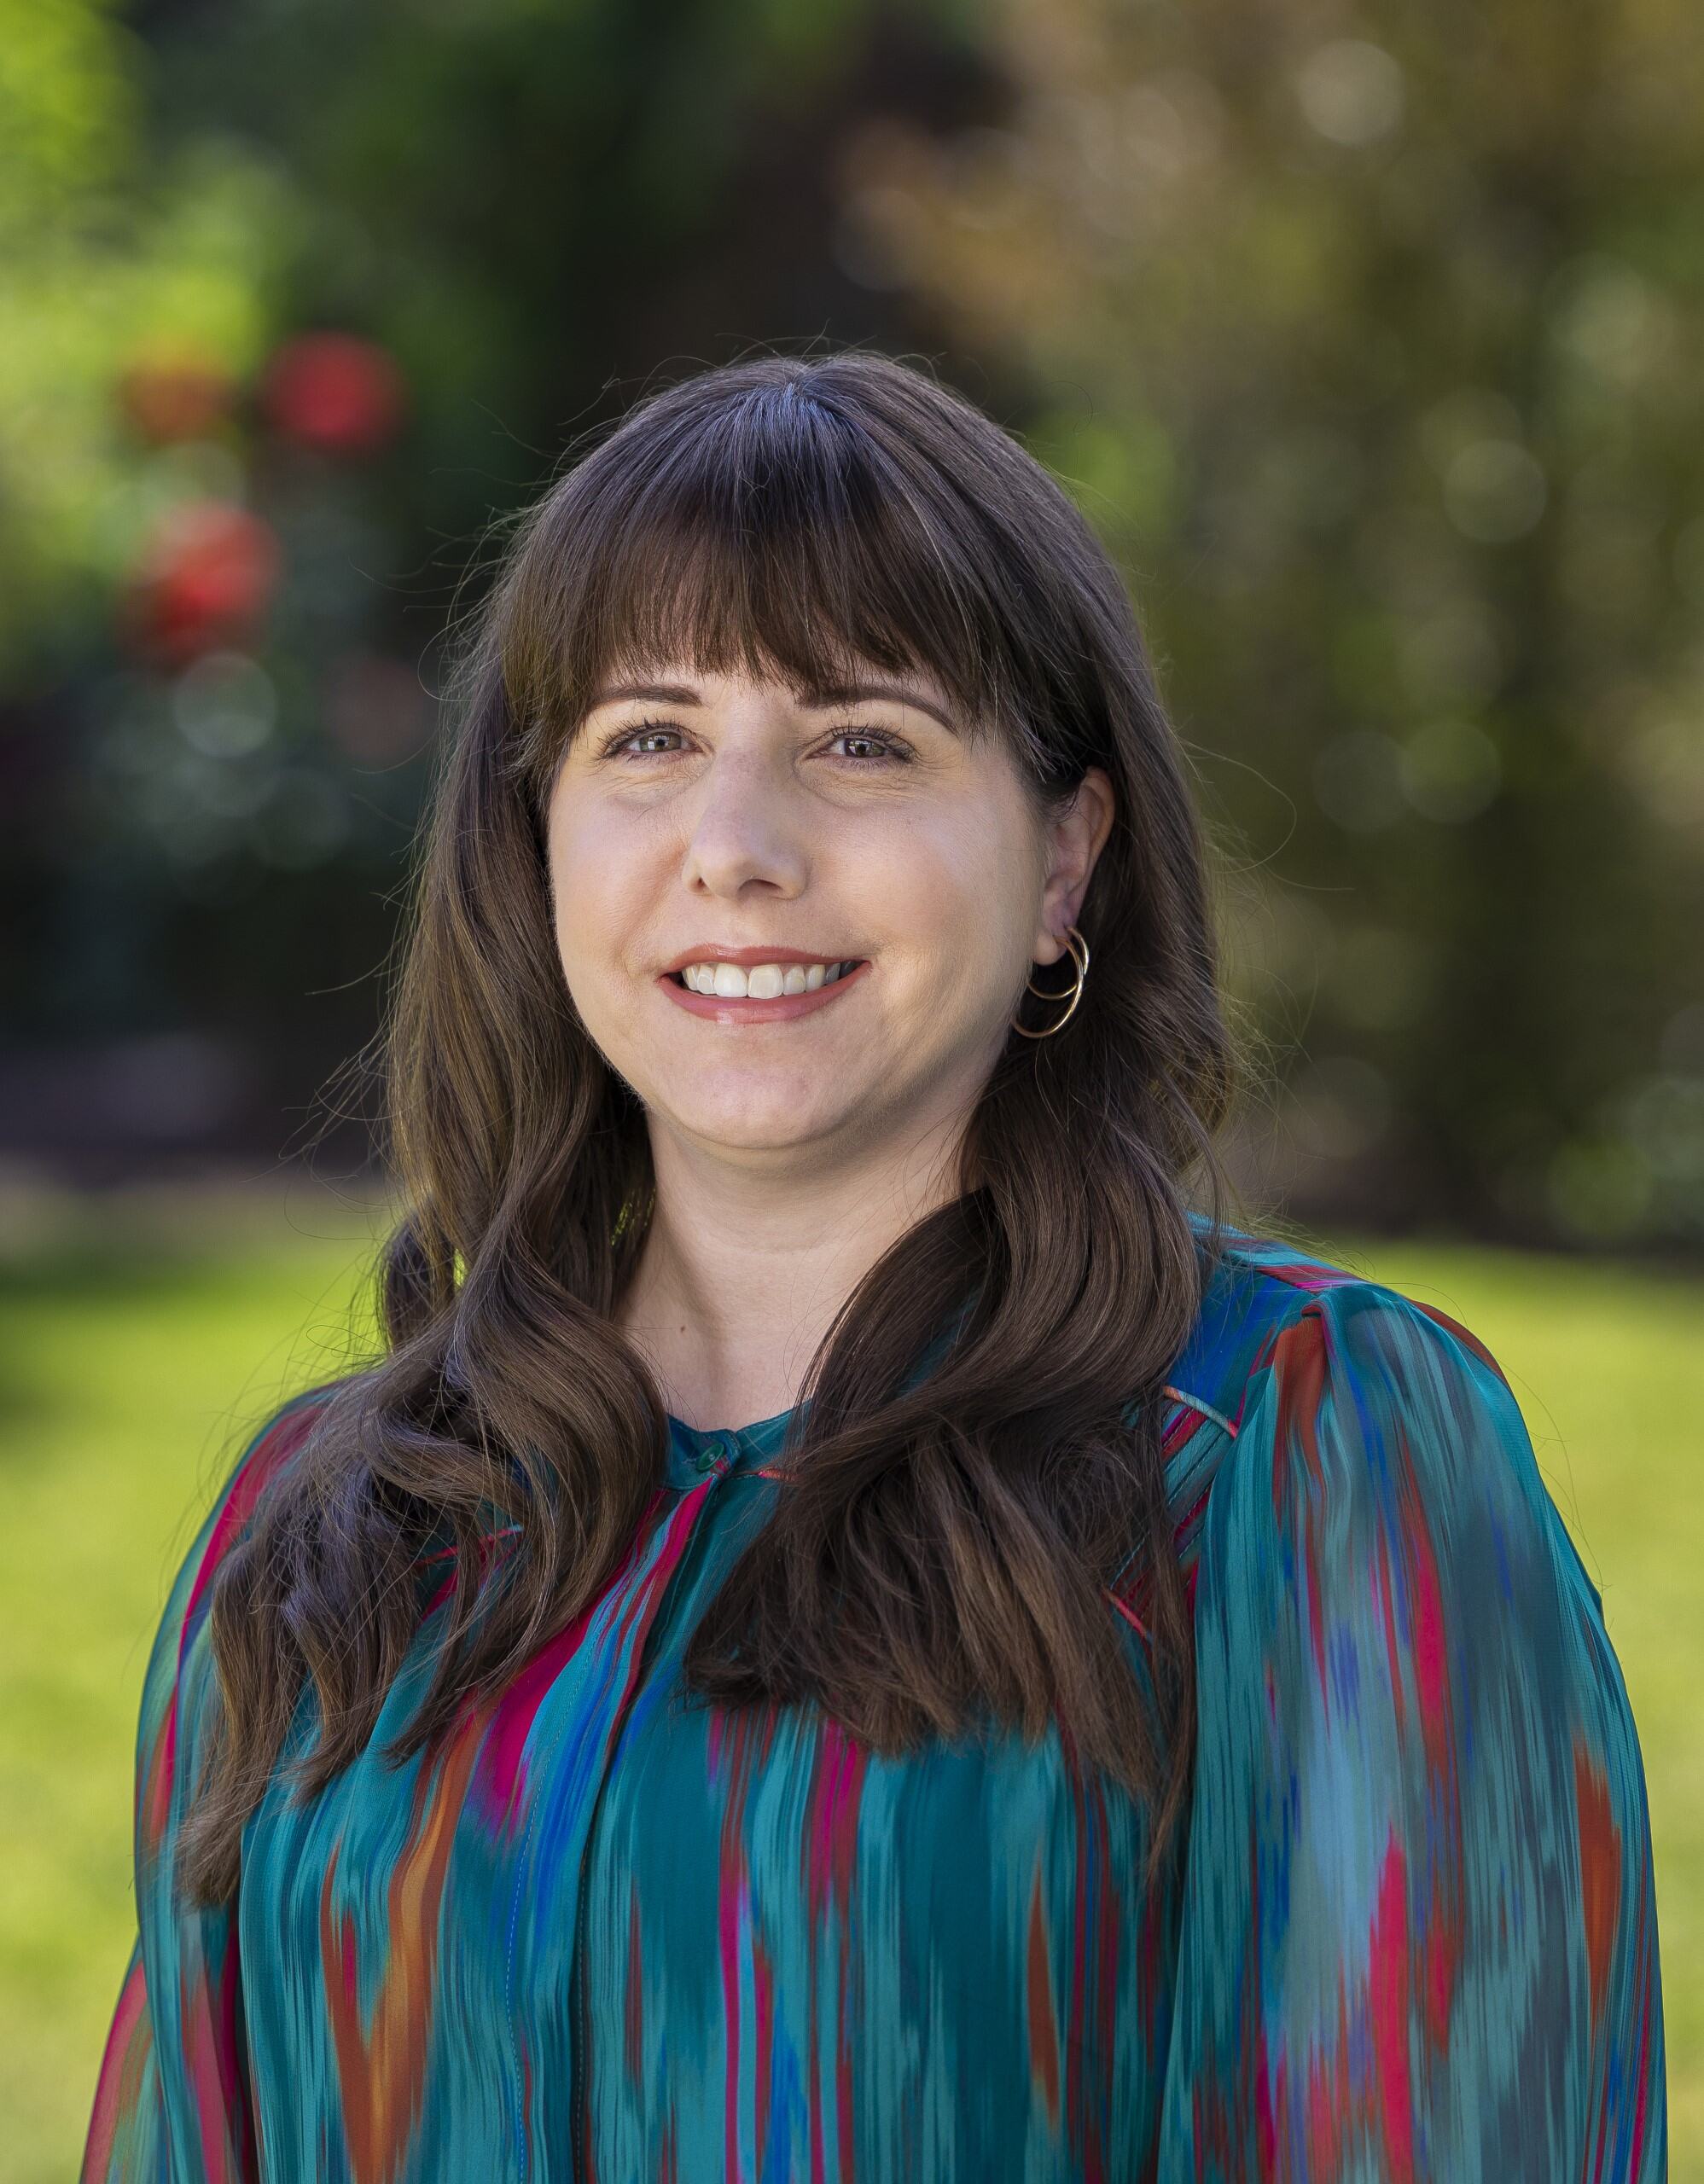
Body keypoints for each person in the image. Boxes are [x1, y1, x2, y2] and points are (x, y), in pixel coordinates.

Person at [81, 351, 1666, 2181]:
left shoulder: (1300, 1458)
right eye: (649, 738)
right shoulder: (335, 1527)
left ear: (1068, 853)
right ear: (536, 840)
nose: (736, 850)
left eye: (862, 739)